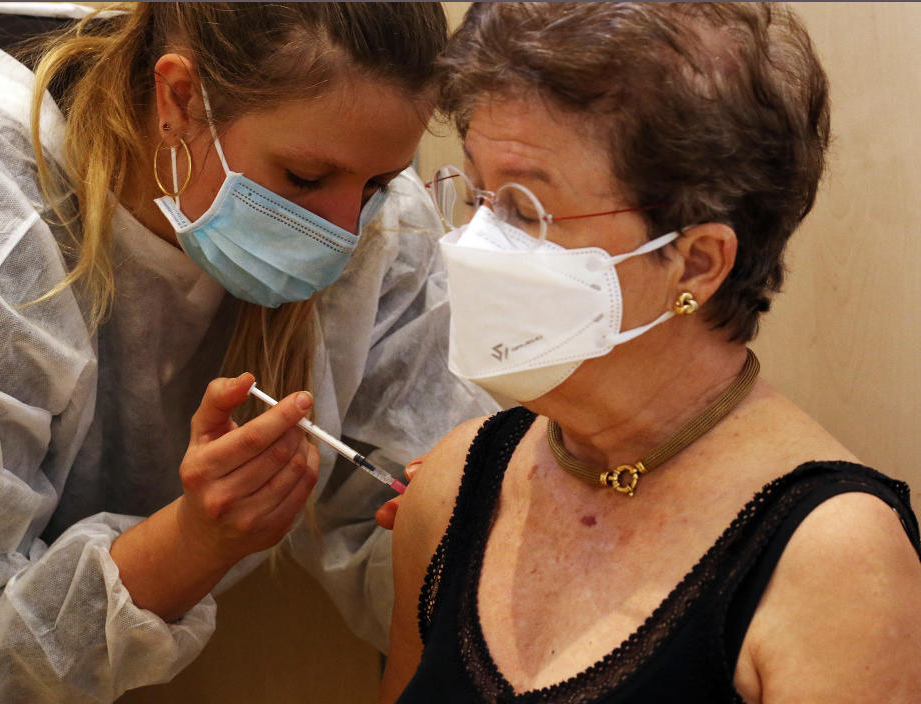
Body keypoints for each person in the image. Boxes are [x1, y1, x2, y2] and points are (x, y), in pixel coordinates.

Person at [382, 3, 921, 702]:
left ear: (696, 264)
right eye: (475, 192)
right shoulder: (453, 484)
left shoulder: (835, 564)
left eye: (521, 208)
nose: (476, 243)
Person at [0, 2, 497, 701]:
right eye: (304, 179)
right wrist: (193, 543)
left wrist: (471, 521)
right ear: (180, 98)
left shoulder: (377, 218)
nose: (344, 232)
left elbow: (416, 555)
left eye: (375, 185)